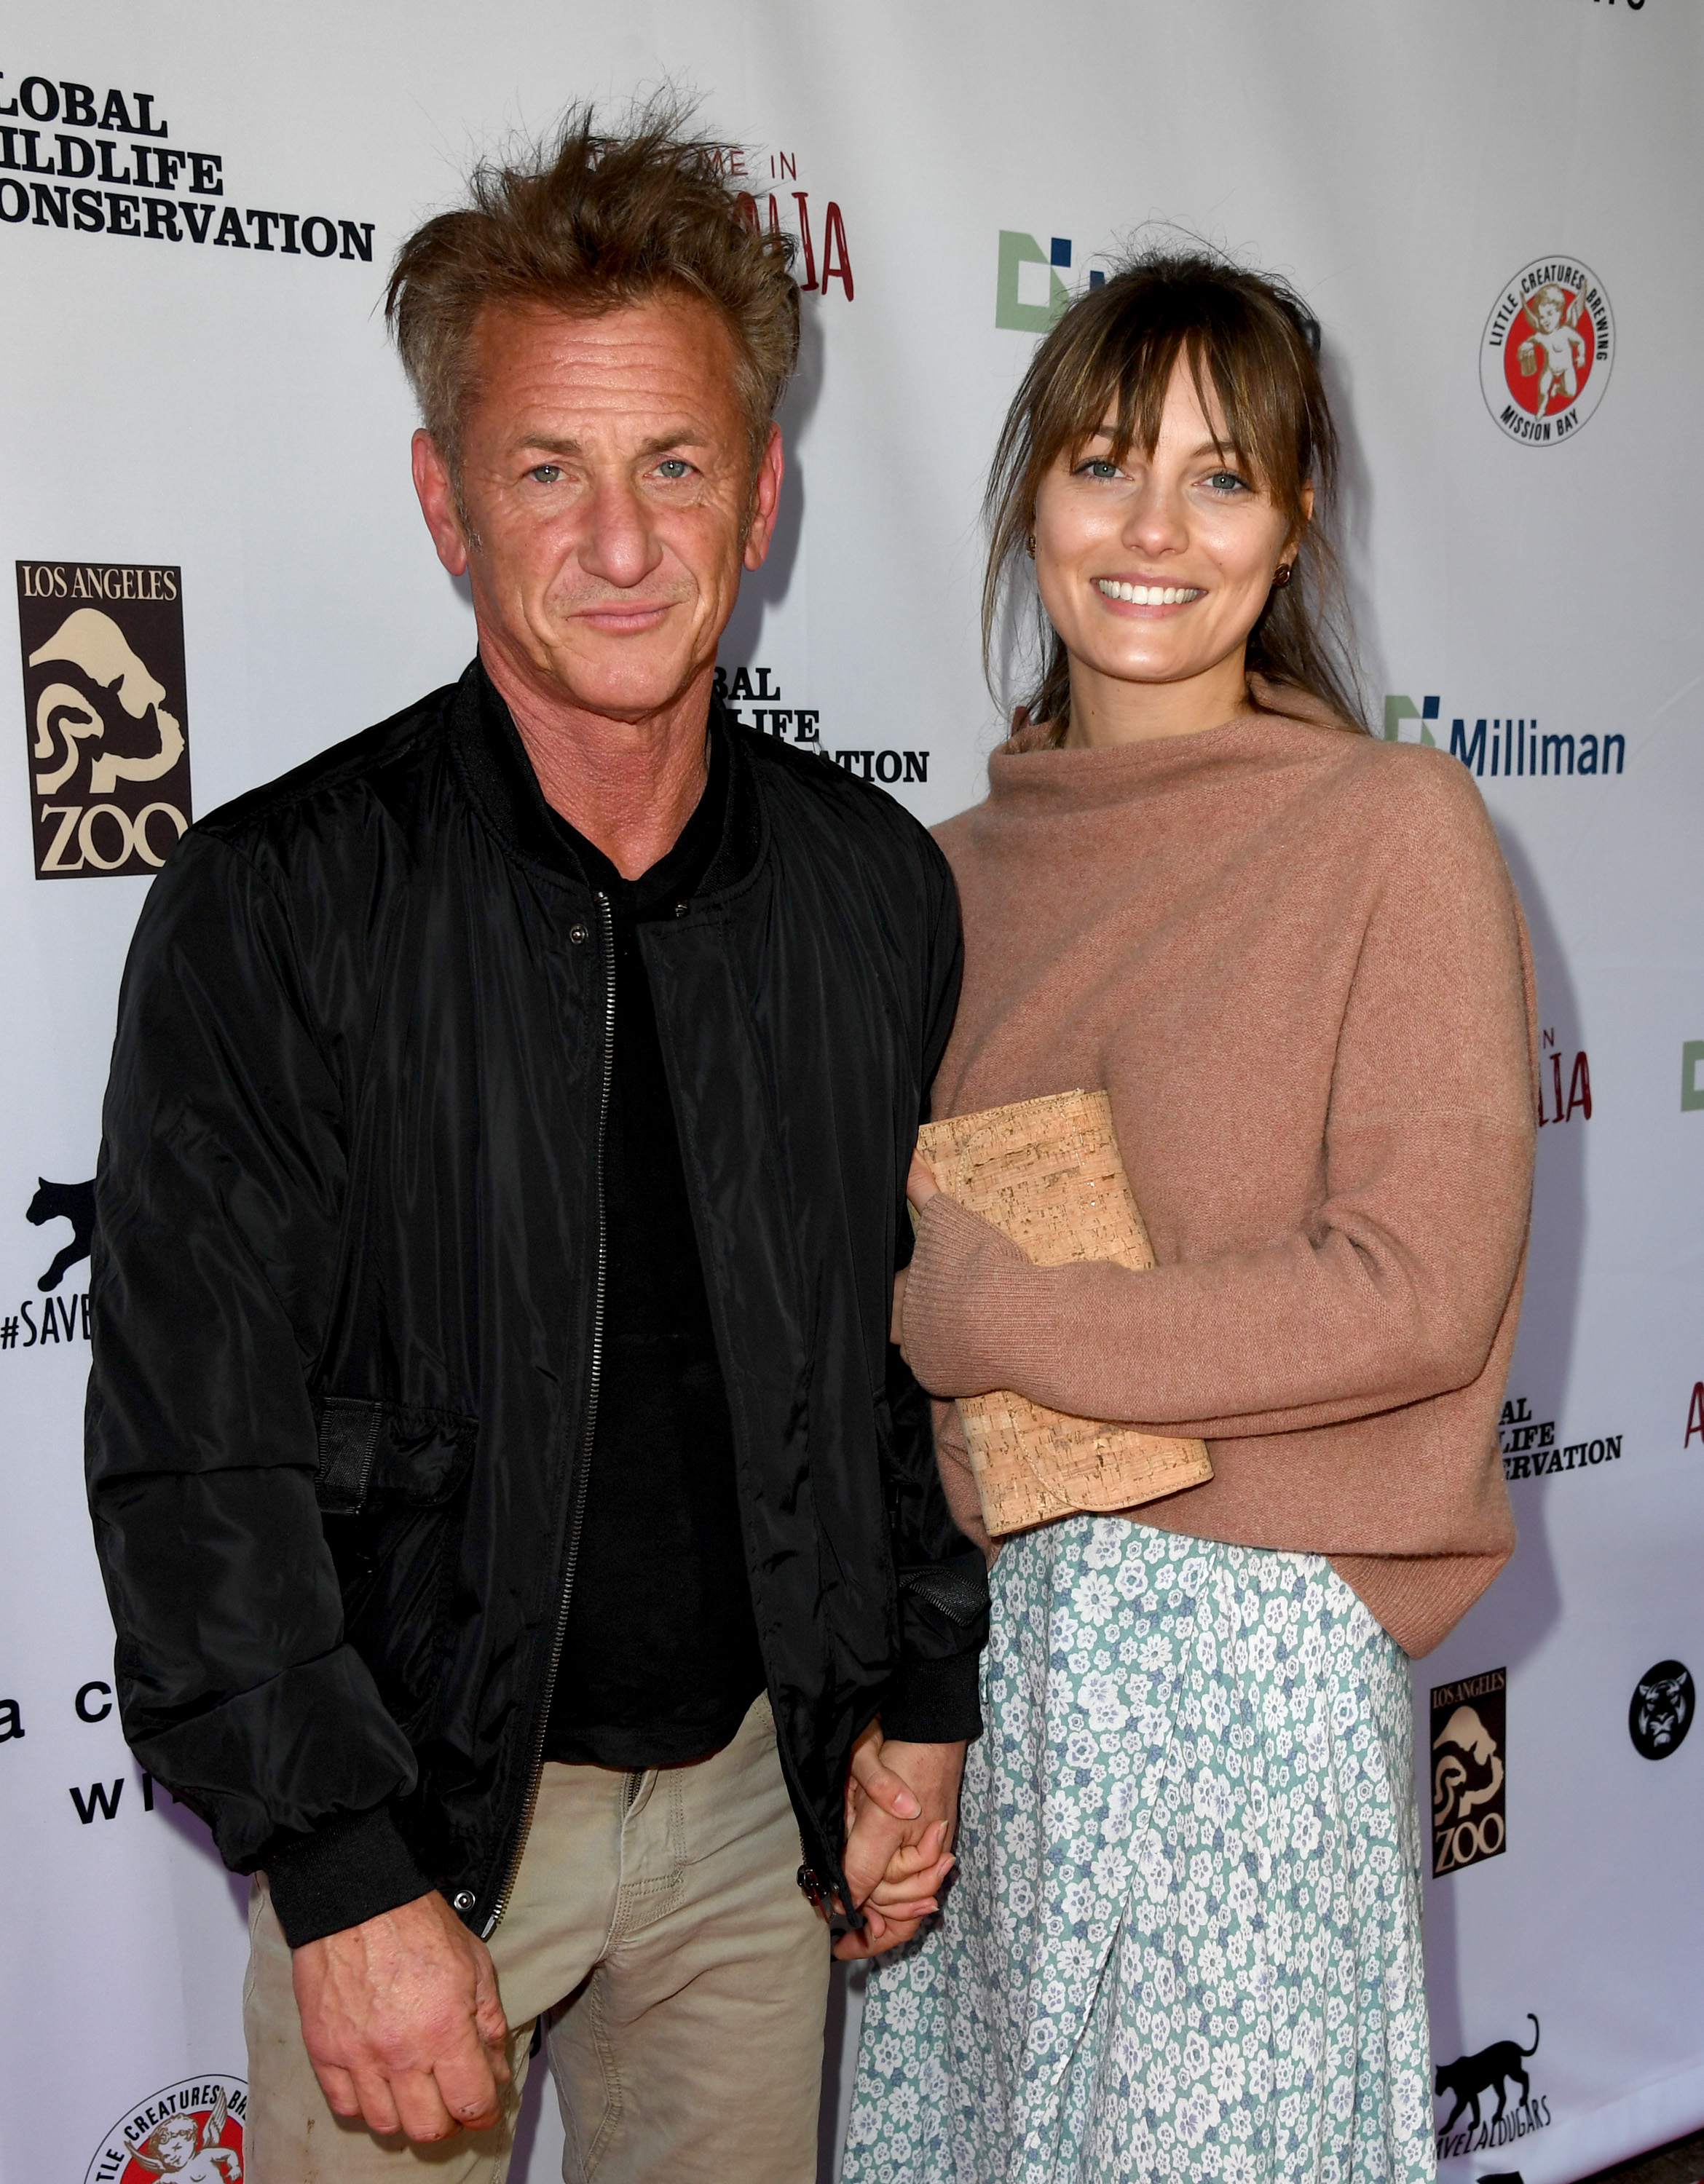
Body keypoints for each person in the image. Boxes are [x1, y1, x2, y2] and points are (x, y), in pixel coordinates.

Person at [85, 102, 987, 2184]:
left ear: (760, 493)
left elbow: (900, 1355)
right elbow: (193, 1447)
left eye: (673, 465)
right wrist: (339, 1869)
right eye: (546, 471)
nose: (616, 542)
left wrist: (916, 1696)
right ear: (441, 502)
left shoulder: (870, 894)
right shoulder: (279, 902)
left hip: (761, 1816)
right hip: (426, 1832)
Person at [845, 250, 1537, 2182]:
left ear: (1292, 516)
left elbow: (1410, 1291)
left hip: (1245, 1672)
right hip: (963, 1674)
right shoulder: (927, 878)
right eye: (1099, 460)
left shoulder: (1387, 825)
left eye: (1219, 475)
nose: (1151, 527)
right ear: (1026, 502)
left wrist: (997, 1319)